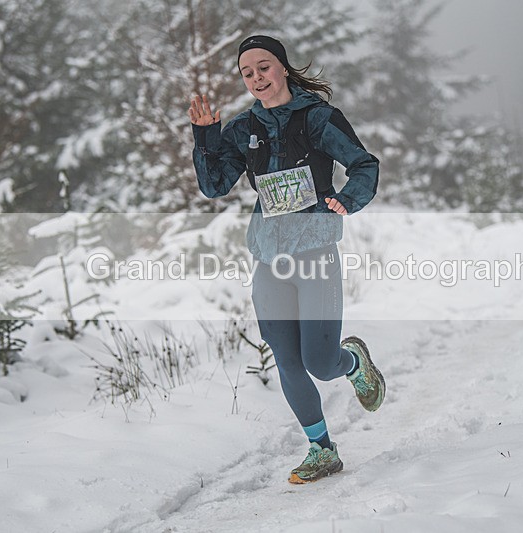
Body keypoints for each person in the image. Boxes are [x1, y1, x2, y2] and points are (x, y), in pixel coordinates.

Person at [188, 35, 385, 484]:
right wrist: (205, 136)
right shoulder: (242, 130)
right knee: (288, 360)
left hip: (315, 252)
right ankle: (322, 449)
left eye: (264, 67)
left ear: (282, 67)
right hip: (269, 256)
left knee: (320, 361)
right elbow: (216, 185)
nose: (256, 77)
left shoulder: (318, 118)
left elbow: (364, 165)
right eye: (247, 72)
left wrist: (347, 200)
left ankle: (352, 361)